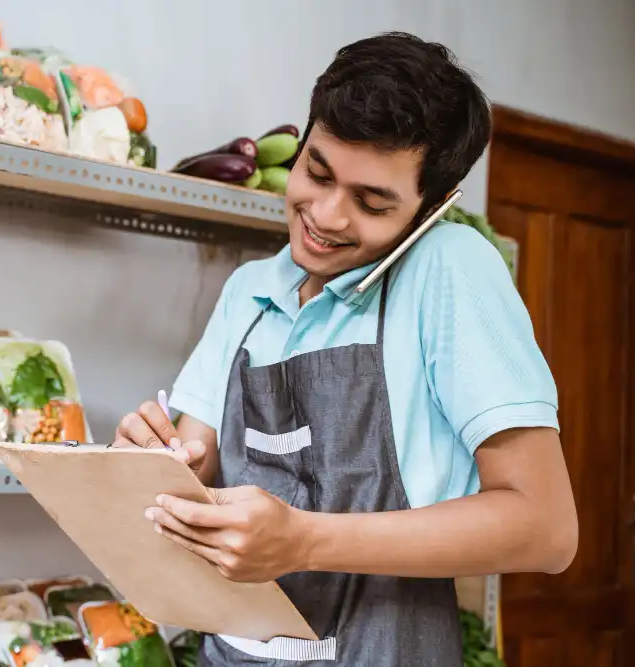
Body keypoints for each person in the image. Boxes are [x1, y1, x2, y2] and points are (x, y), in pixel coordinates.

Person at [114, 32, 578, 666]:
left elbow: (546, 529)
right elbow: (198, 466)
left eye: (371, 202)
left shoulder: (448, 270)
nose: (326, 216)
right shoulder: (250, 291)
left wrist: (304, 541)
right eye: (317, 172)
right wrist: (151, 466)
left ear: (431, 209)